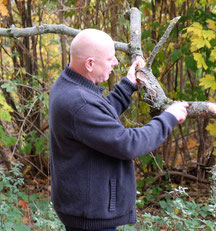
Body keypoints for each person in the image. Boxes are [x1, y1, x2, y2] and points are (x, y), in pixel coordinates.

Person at [49, 29, 188, 231]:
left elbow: (97, 119)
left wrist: (128, 85)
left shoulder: (68, 85)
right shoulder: (78, 102)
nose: (115, 63)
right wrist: (168, 118)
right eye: (110, 58)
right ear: (90, 64)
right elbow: (127, 144)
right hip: (90, 216)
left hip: (86, 208)